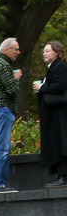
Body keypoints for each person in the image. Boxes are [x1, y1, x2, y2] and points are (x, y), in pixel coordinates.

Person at [0, 37, 23, 193]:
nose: (19, 52)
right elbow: (11, 90)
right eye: (16, 49)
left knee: (3, 147)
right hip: (2, 109)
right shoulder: (2, 65)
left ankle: (0, 184)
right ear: (7, 50)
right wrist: (16, 79)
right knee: (3, 148)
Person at [33, 41, 67, 187]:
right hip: (54, 114)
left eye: (47, 51)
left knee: (60, 141)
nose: (44, 53)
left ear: (57, 53)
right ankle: (60, 175)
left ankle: (63, 176)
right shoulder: (53, 67)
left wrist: (42, 86)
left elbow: (60, 85)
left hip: (59, 114)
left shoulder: (60, 66)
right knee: (57, 141)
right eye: (44, 51)